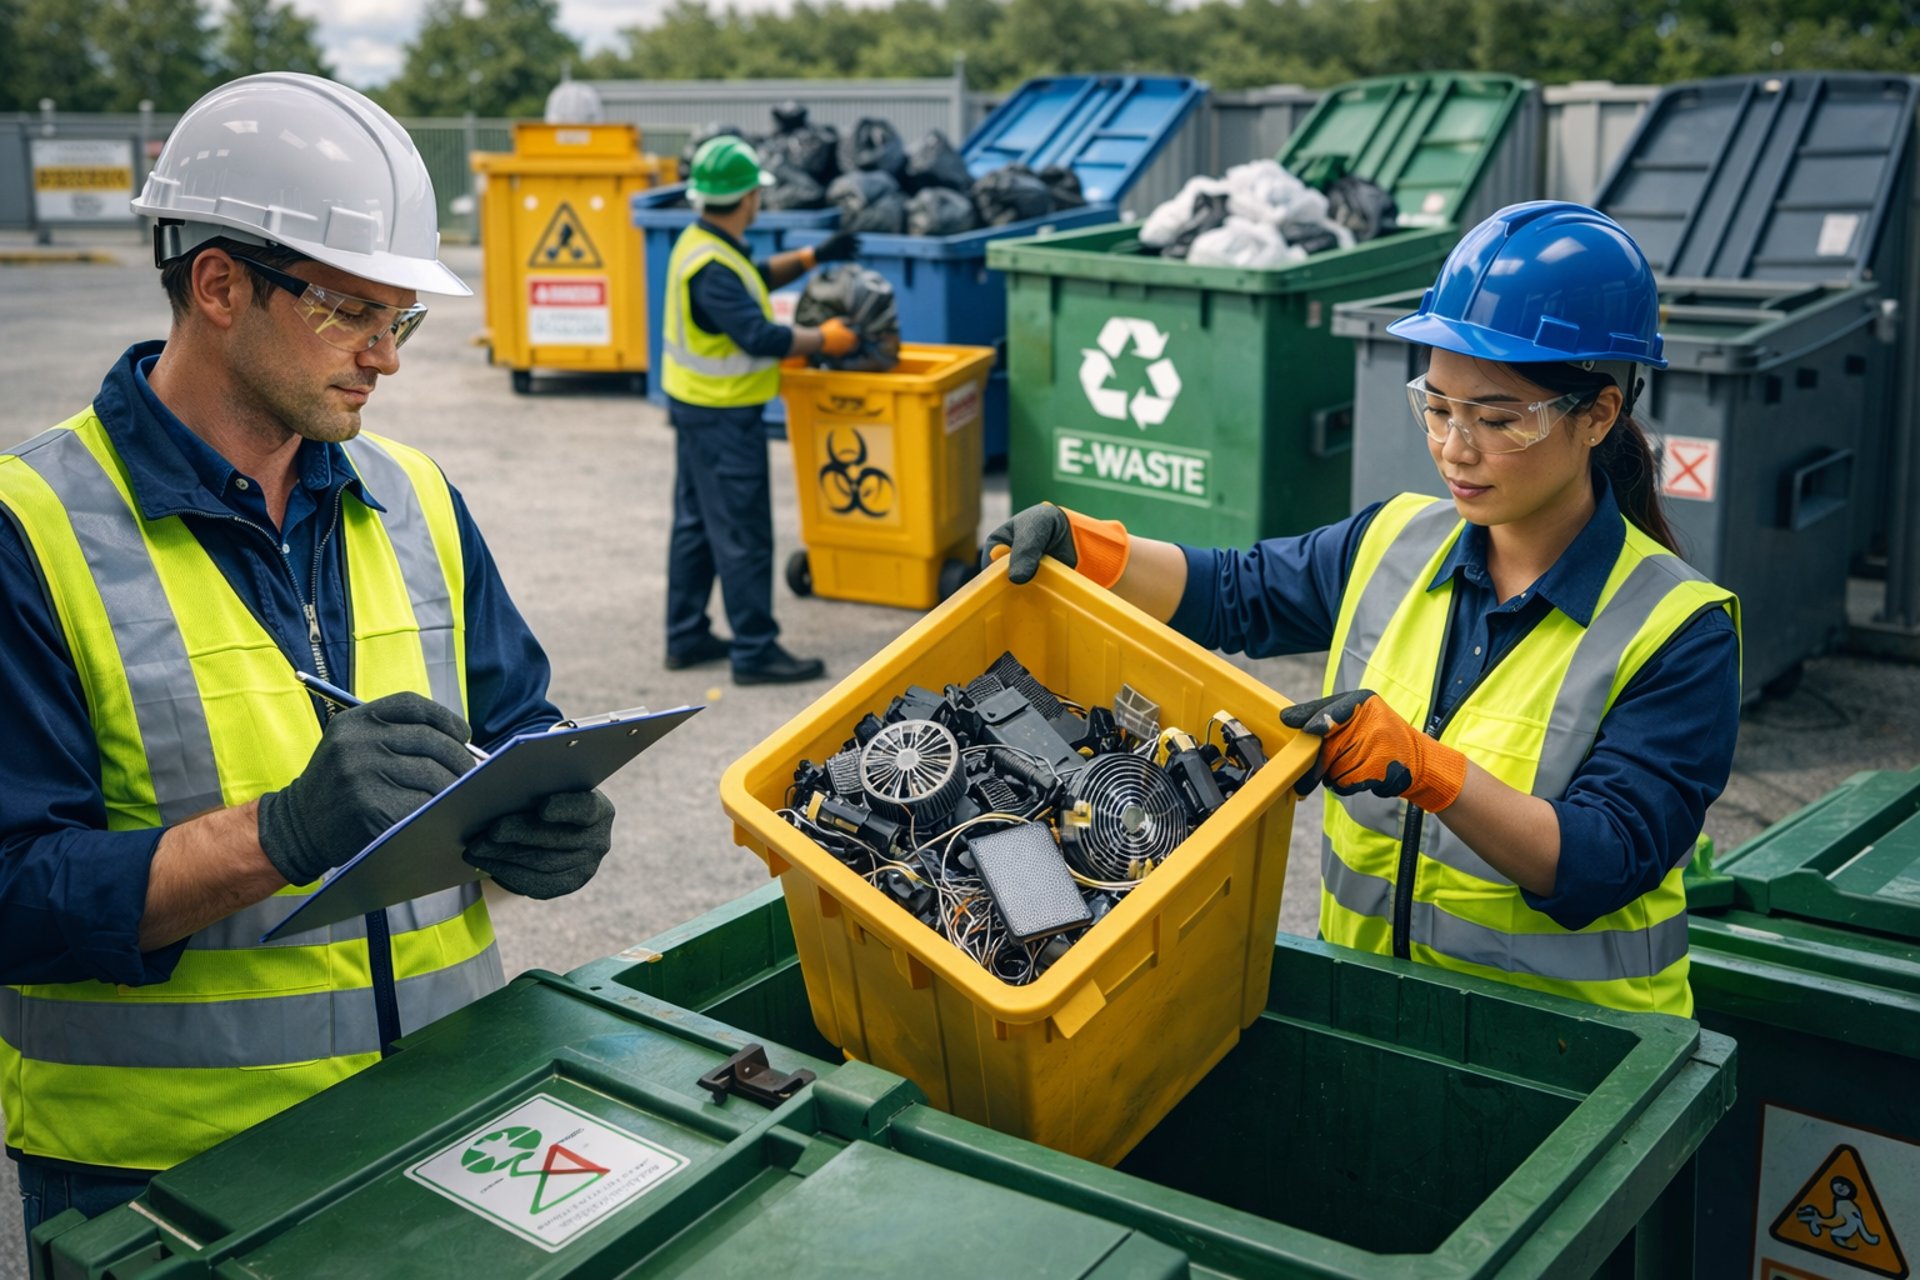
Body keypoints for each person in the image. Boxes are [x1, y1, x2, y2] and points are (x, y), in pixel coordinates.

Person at [0, 74, 616, 1233]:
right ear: (221, 285)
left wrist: (547, 803)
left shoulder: (413, 492)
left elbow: (516, 719)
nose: (386, 355)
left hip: (439, 1116)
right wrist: (276, 835)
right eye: (351, 312)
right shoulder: (29, 531)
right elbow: (12, 890)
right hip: (166, 1182)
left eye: (403, 318)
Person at [988, 201, 1741, 1017]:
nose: (1456, 448)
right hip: (1374, 1019)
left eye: (1496, 420)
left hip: (1575, 1061)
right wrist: (1092, 550)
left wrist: (1432, 772)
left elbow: (1604, 859)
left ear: (1598, 414)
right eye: (1440, 408)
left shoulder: (1677, 629)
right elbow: (1233, 591)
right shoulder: (1394, 541)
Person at [660, 135, 863, 685]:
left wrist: (814, 255)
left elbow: (754, 278)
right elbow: (757, 332)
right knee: (744, 534)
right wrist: (827, 338)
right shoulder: (712, 265)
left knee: (698, 526)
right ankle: (755, 650)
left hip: (699, 410)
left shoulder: (705, 242)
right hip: (724, 417)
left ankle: (686, 635)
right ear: (748, 197)